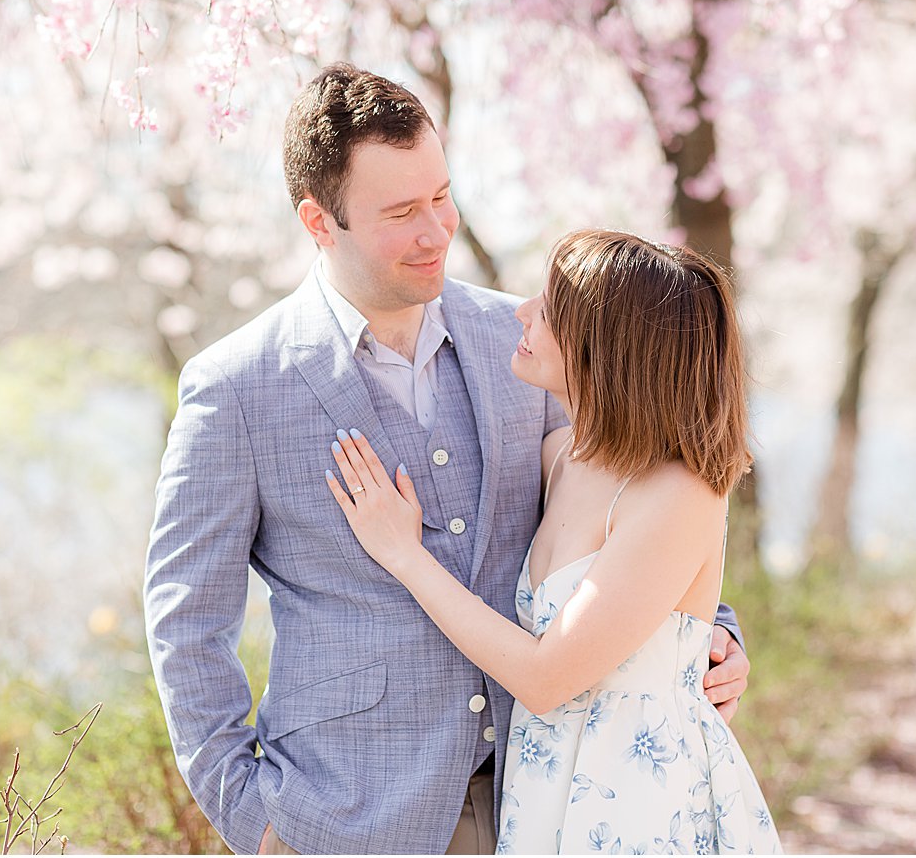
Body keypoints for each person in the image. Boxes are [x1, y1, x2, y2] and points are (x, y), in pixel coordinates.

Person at [144, 64, 753, 855]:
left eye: (441, 194)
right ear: (320, 221)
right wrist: (252, 820)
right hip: (348, 820)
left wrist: (712, 639)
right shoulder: (237, 389)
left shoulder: (528, 344)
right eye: (402, 211)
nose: (438, 230)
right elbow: (186, 620)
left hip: (550, 805)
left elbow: (642, 492)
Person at [323, 228, 781, 855]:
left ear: (610, 347)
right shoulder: (560, 457)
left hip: (640, 804)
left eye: (550, 309)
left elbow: (544, 677)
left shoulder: (681, 493)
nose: (521, 312)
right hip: (545, 793)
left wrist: (405, 555)